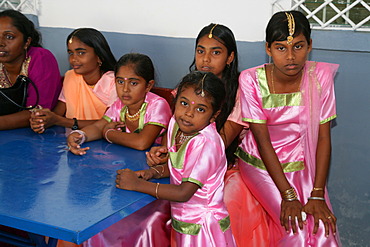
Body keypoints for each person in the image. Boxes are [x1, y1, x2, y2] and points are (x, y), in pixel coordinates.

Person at [146, 23, 270, 247]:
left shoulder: (239, 91)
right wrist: (162, 155)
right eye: (200, 51)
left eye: (216, 52)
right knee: (149, 209)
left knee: (229, 200)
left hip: (222, 167)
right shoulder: (189, 87)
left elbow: (217, 145)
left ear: (230, 57)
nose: (205, 59)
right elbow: (172, 142)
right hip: (185, 164)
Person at [236, 11, 341, 246]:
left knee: (324, 228)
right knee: (299, 229)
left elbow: (324, 138)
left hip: (303, 164)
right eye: (281, 48)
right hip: (261, 164)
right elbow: (262, 142)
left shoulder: (319, 77)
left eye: (299, 46)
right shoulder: (251, 80)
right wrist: (288, 194)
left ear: (310, 45)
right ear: (268, 49)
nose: (291, 56)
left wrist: (317, 193)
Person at [116, 71, 236, 247]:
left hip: (204, 228)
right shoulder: (176, 124)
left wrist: (137, 184)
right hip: (183, 221)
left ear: (214, 115)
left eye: (200, 109)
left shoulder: (207, 144)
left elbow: (183, 192)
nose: (188, 113)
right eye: (184, 103)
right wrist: (152, 173)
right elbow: (178, 168)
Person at [67, 53, 172, 154]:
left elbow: (142, 142)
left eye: (133, 83)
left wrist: (108, 133)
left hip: (153, 164)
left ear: (148, 85)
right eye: (120, 82)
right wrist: (78, 136)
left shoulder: (157, 105)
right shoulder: (119, 104)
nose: (125, 89)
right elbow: (98, 127)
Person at [30, 28, 117, 133]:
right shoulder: (71, 77)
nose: (73, 59)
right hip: (74, 139)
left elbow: (108, 123)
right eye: (71, 53)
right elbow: (58, 112)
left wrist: (60, 121)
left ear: (99, 57)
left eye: (81, 53)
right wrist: (43, 119)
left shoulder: (113, 82)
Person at [0, 9, 61, 130]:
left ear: (26, 42)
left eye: (9, 37)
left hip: (41, 136)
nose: (1, 43)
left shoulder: (41, 58)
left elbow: (38, 112)